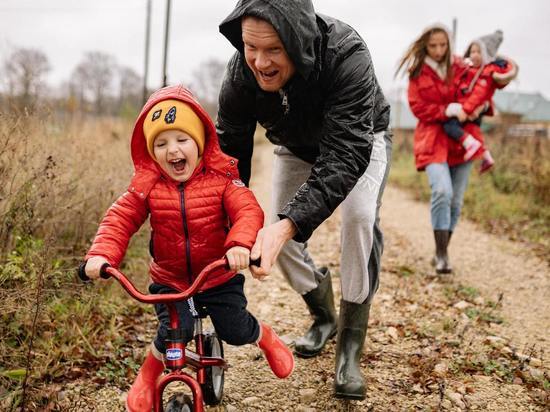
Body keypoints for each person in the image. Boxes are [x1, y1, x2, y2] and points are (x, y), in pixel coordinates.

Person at [216, 0, 392, 400]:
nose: (260, 62)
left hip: (360, 141)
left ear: (298, 41)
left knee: (359, 218)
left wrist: (288, 225)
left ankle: (350, 347)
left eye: (274, 49)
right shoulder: (239, 75)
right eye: (250, 47)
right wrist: (228, 221)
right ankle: (323, 315)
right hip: (294, 146)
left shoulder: (347, 54)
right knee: (276, 230)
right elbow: (229, 157)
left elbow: (346, 154)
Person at [82, 85, 294, 412]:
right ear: (152, 152)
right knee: (171, 334)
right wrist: (101, 255)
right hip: (171, 281)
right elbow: (120, 218)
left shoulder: (222, 179)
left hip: (217, 276)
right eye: (161, 143)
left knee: (235, 329)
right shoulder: (148, 186)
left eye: (182, 140)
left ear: (199, 141)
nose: (173, 150)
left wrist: (238, 244)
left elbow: (248, 210)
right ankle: (148, 376)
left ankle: (264, 337)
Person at [396, 25, 516, 274]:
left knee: (456, 201)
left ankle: (443, 251)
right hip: (432, 139)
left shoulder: (460, 64)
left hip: (462, 141)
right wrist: (447, 110)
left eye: (443, 45)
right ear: (425, 45)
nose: (439, 50)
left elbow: (483, 79)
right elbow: (418, 108)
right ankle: (441, 254)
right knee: (442, 191)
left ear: (448, 44)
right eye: (433, 45)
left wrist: (487, 101)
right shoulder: (417, 72)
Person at [443, 29, 518, 173]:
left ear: (486, 55)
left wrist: (465, 110)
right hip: (469, 109)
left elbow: (478, 95)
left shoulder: (485, 73)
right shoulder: (470, 70)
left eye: (478, 52)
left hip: (468, 110)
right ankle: (486, 156)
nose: (474, 55)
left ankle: (469, 144)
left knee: (449, 126)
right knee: (473, 132)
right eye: (472, 51)